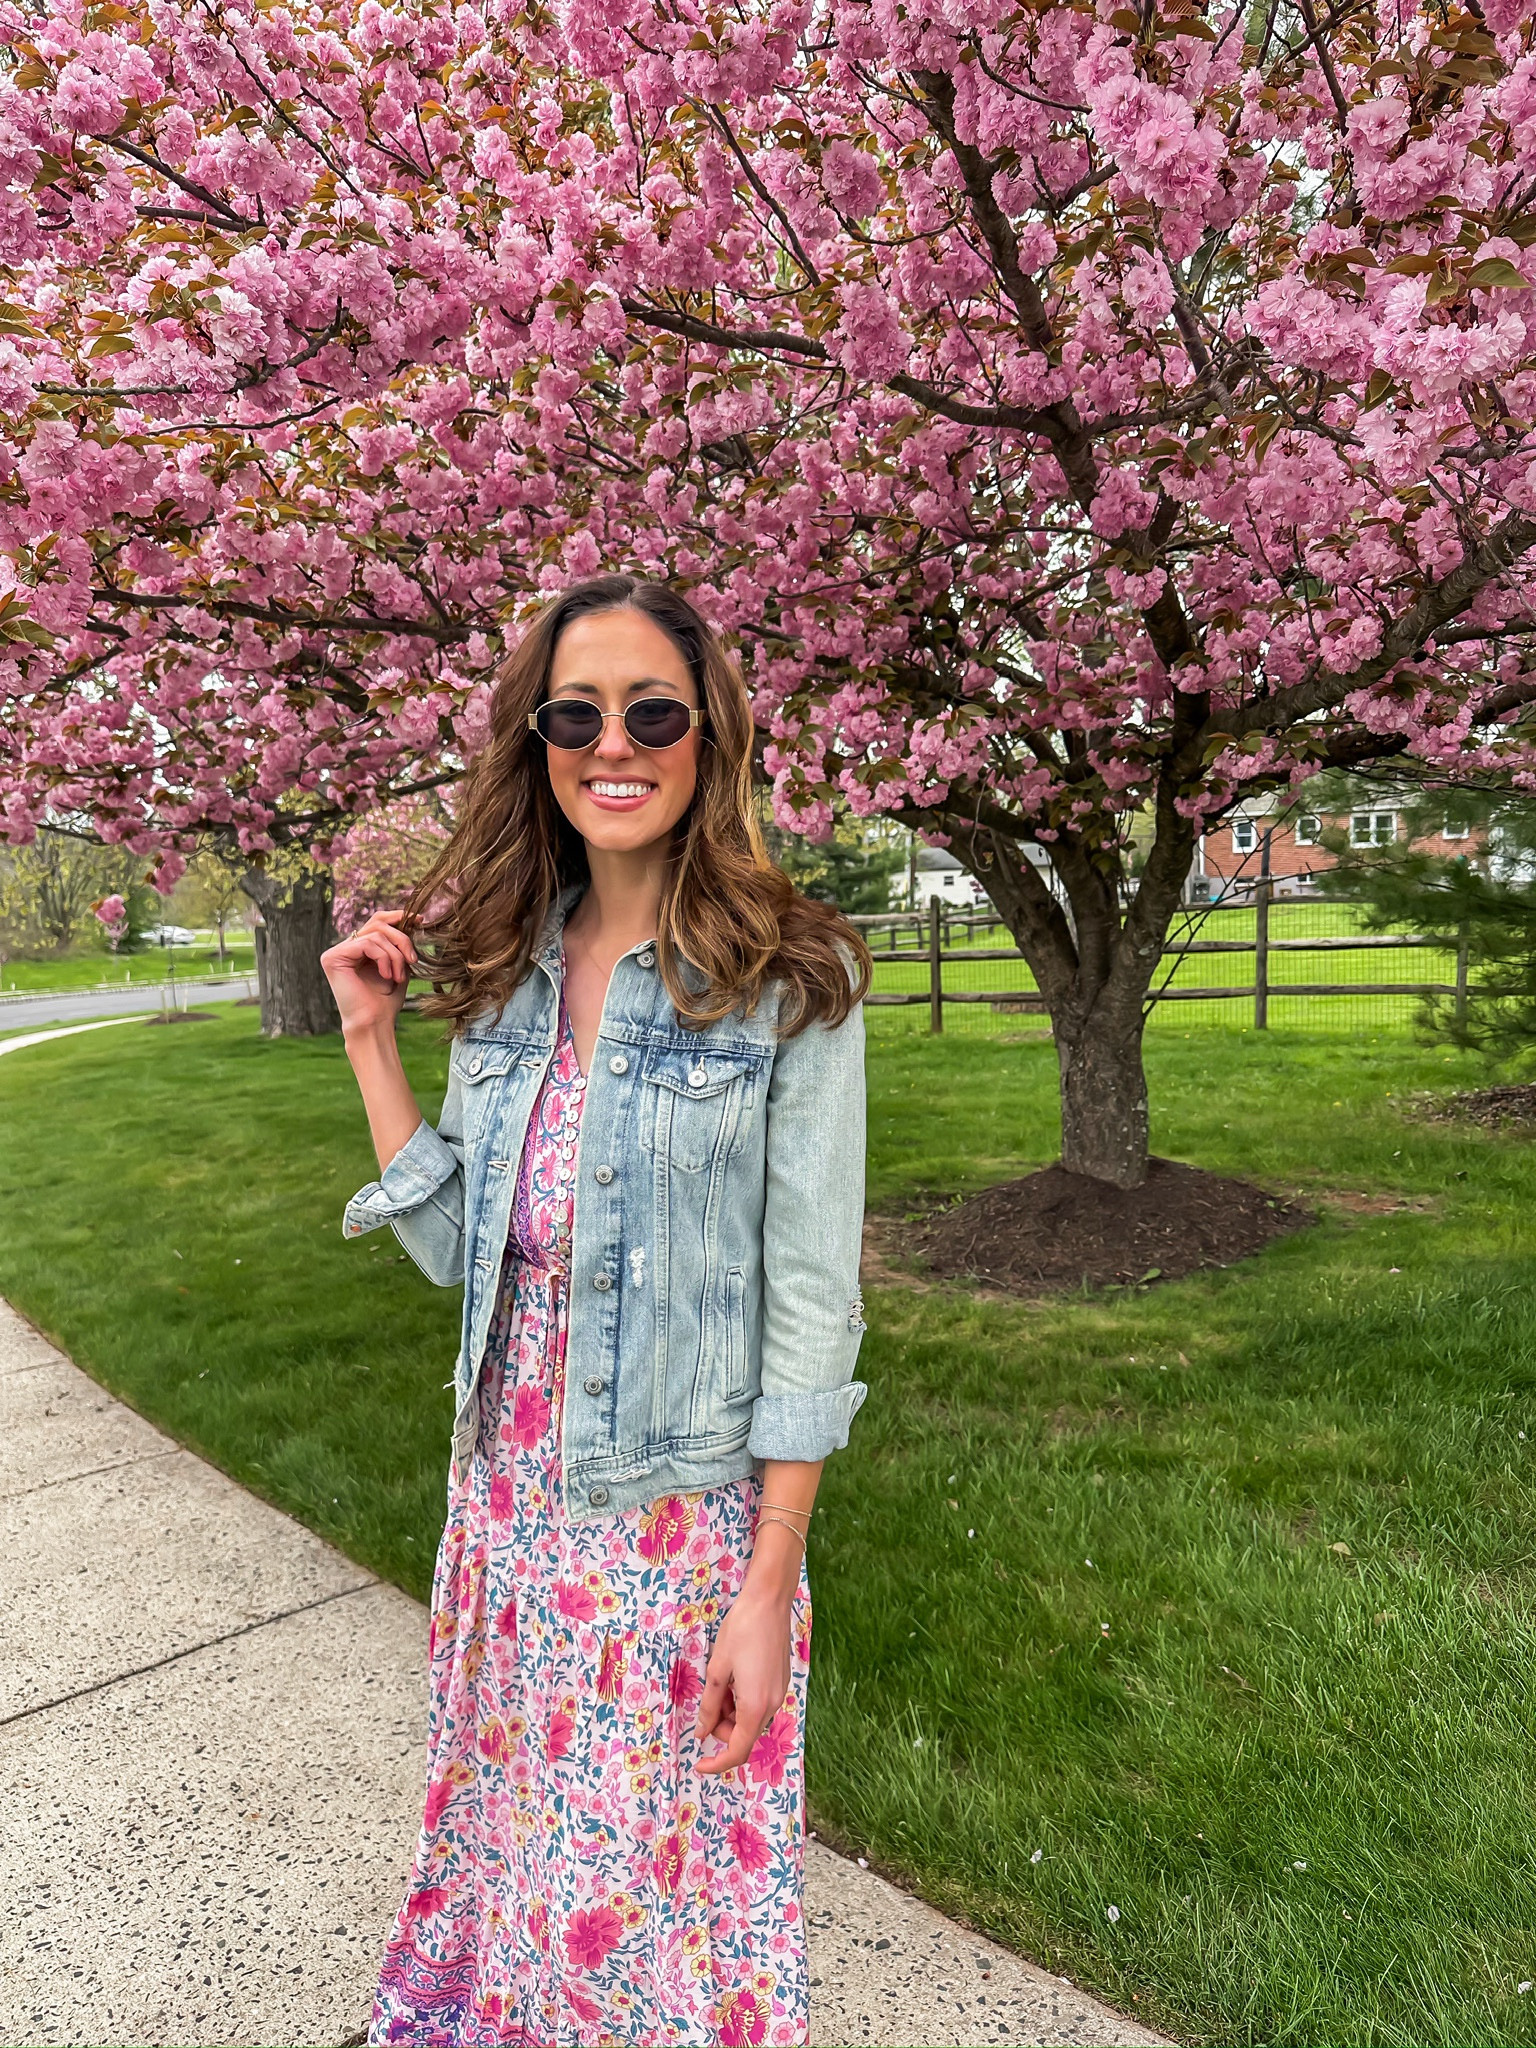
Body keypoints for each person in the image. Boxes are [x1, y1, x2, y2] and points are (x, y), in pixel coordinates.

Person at [321, 573, 872, 2048]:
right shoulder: (503, 970)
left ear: (709, 737)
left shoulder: (789, 979)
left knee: (640, 1902)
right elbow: (462, 1257)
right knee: (516, 1861)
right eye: (576, 715)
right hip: (506, 1512)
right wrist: (373, 1041)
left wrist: (769, 1586)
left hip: (673, 1538)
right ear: (539, 743)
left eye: (650, 712)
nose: (611, 744)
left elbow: (813, 1301)